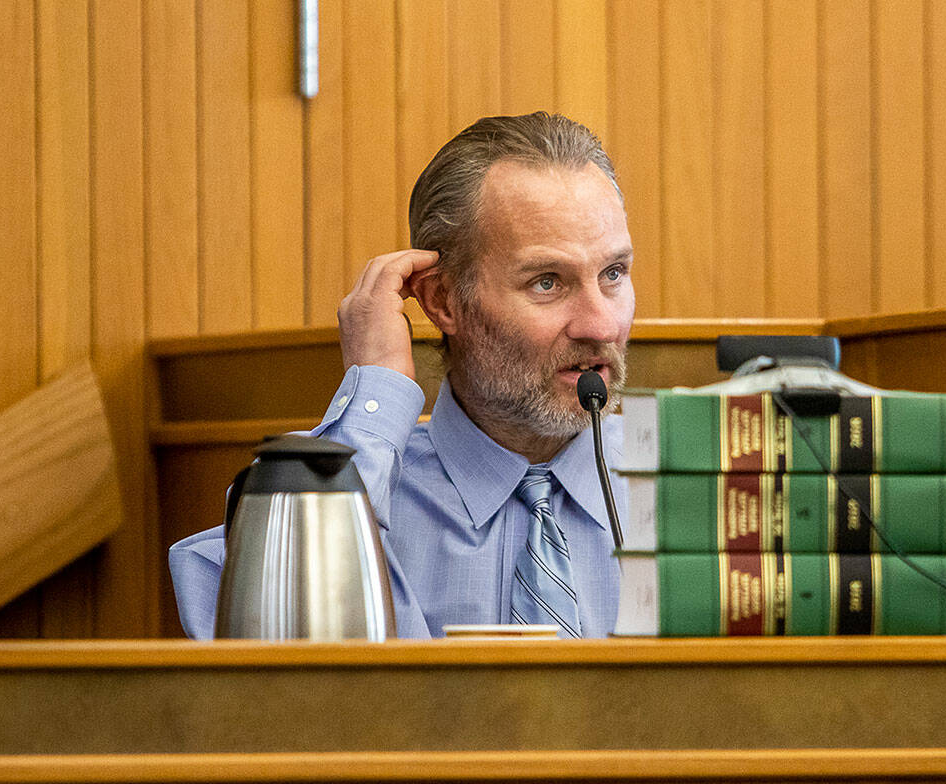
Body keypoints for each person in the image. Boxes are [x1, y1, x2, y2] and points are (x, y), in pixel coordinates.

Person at [170, 112, 635, 639]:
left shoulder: (703, 485)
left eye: (613, 274)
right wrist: (378, 390)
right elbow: (273, 667)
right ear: (442, 300)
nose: (602, 324)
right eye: (547, 282)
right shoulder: (355, 500)